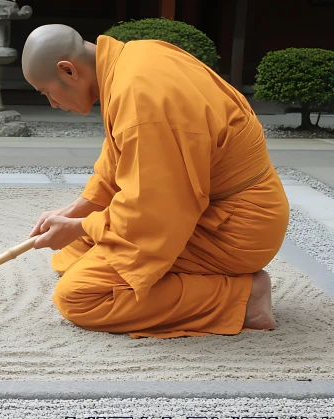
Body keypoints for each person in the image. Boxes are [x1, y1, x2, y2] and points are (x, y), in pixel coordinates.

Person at [23, 24, 289, 338]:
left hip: (235, 228)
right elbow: (118, 164)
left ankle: (243, 297)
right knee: (76, 245)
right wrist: (75, 213)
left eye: (47, 93)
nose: (53, 104)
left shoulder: (142, 95)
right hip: (211, 208)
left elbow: (155, 210)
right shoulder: (133, 57)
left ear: (68, 71)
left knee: (79, 297)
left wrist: (83, 226)